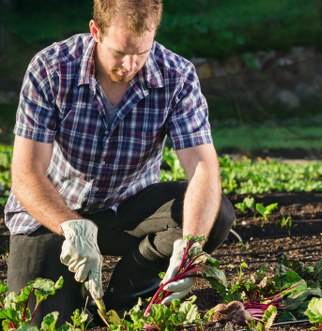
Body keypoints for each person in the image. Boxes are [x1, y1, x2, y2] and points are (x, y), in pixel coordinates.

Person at [4, 0, 235, 325]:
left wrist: (190, 246)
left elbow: (203, 168)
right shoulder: (52, 68)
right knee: (41, 322)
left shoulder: (177, 76)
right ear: (95, 31)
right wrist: (72, 226)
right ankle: (75, 292)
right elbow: (27, 172)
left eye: (140, 52)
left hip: (127, 209)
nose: (129, 65)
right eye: (119, 52)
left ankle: (128, 296)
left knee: (217, 213)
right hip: (52, 215)